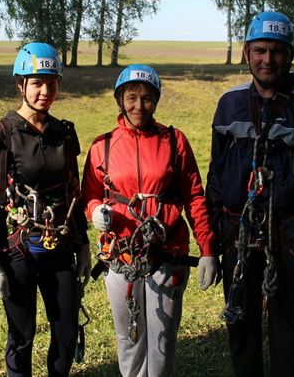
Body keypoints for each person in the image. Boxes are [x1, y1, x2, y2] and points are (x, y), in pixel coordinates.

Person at [206, 11, 294, 377]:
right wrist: (212, 242)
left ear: (291, 56)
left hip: (291, 240)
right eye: (260, 50)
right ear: (247, 53)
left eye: (277, 51)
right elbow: (216, 177)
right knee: (240, 333)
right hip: (237, 239)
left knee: (290, 337)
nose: (268, 60)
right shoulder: (229, 103)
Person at [81, 64, 219, 377]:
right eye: (131, 97)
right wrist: (94, 211)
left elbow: (195, 197)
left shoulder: (174, 141)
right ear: (120, 99)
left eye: (146, 98)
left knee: (162, 341)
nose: (138, 105)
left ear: (155, 101)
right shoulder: (102, 146)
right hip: (121, 255)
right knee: (129, 338)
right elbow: (89, 193)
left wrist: (207, 249)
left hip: (167, 254)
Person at [0, 42, 90, 377]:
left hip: (59, 246)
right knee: (22, 336)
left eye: (51, 83)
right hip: (18, 251)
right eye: (37, 83)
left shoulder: (63, 133)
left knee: (67, 333)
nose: (45, 91)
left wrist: (82, 244)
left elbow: (73, 192)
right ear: (20, 85)